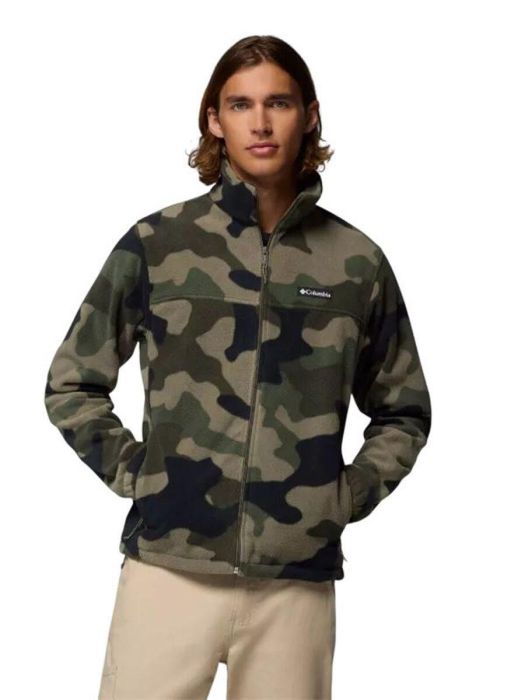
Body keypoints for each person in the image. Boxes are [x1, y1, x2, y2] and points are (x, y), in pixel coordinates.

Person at [44, 34, 432, 700]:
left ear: (308, 115)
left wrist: (342, 498)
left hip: (295, 584)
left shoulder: (355, 261)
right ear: (214, 120)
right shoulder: (158, 243)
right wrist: (138, 474)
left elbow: (404, 410)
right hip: (168, 570)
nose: (260, 122)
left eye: (278, 103)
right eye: (240, 104)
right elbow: (72, 382)